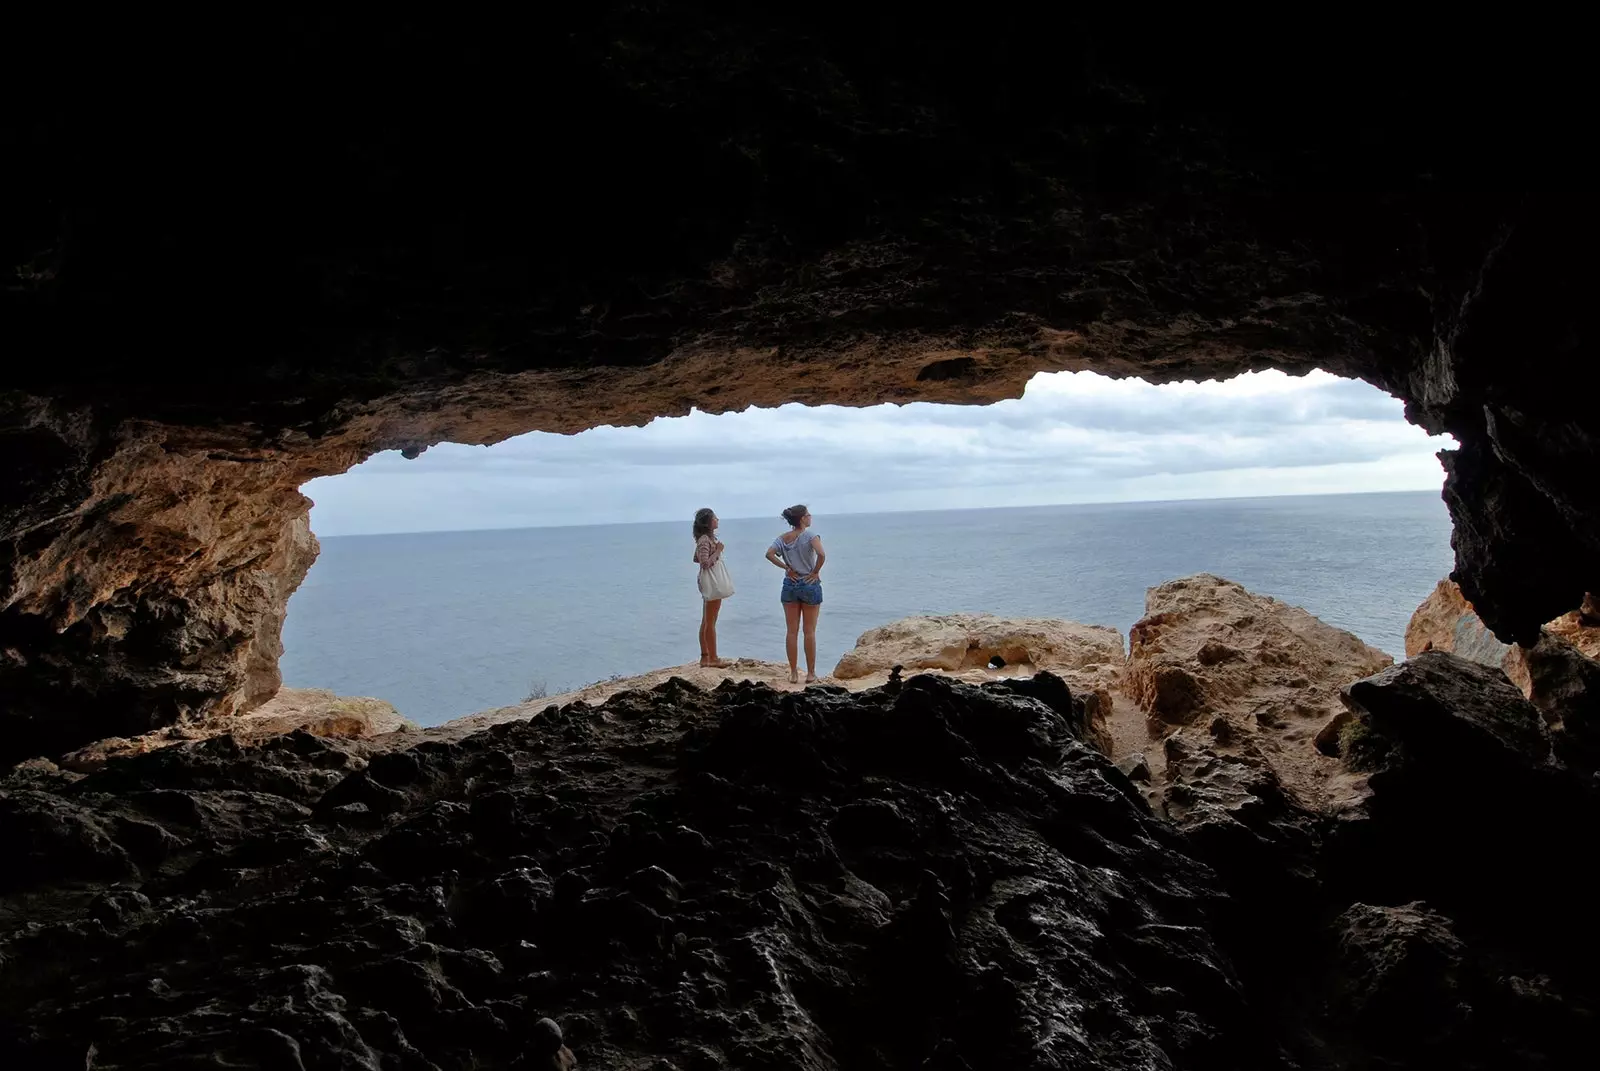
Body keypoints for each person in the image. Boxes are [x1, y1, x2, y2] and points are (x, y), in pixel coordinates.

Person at [764, 503, 825, 684]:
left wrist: (786, 567)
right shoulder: (810, 536)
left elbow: (769, 554)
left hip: (790, 584)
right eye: (808, 514)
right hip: (809, 583)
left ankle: (793, 673)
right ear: (802, 519)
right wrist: (815, 572)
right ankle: (811, 673)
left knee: (791, 631)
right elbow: (821, 554)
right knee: (809, 632)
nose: (810, 516)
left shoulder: (783, 538)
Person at [692, 508, 732, 667]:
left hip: (709, 581)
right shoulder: (704, 540)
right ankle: (713, 658)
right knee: (710, 621)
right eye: (715, 518)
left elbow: (698, 558)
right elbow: (704, 562)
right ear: (708, 522)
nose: (717, 520)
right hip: (712, 582)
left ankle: (705, 657)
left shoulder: (705, 539)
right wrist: (718, 551)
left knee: (707, 620)